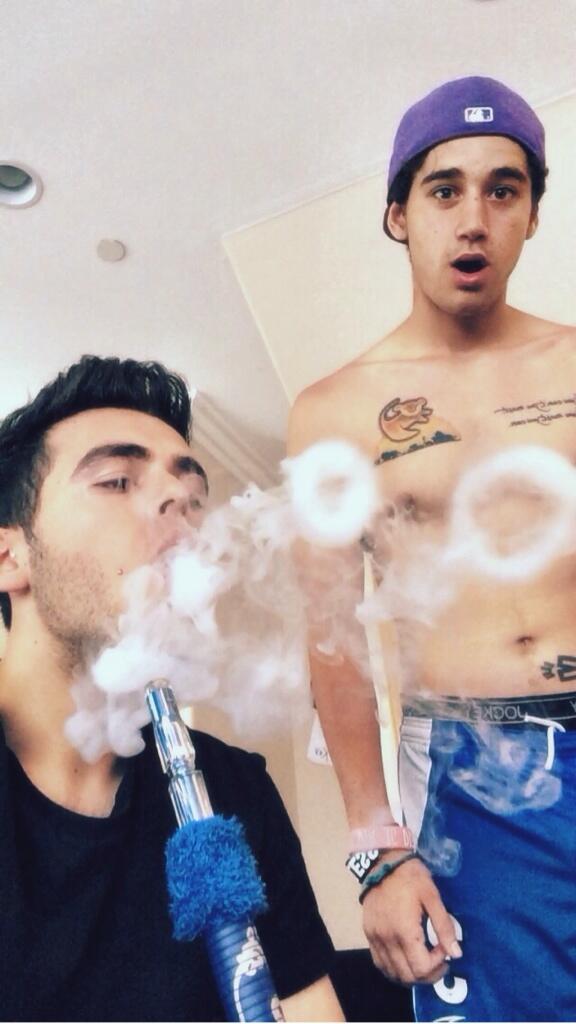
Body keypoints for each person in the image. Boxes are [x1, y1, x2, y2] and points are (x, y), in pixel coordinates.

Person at [288, 76, 576, 1022]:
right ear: (397, 216)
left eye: (504, 190)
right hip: (471, 778)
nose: (474, 219)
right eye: (445, 190)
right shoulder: (333, 411)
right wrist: (377, 850)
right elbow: (331, 641)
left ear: (532, 215)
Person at [0, 355, 343, 1023]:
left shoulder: (235, 790)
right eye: (117, 480)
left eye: (191, 497)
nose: (179, 511)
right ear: (10, 556)